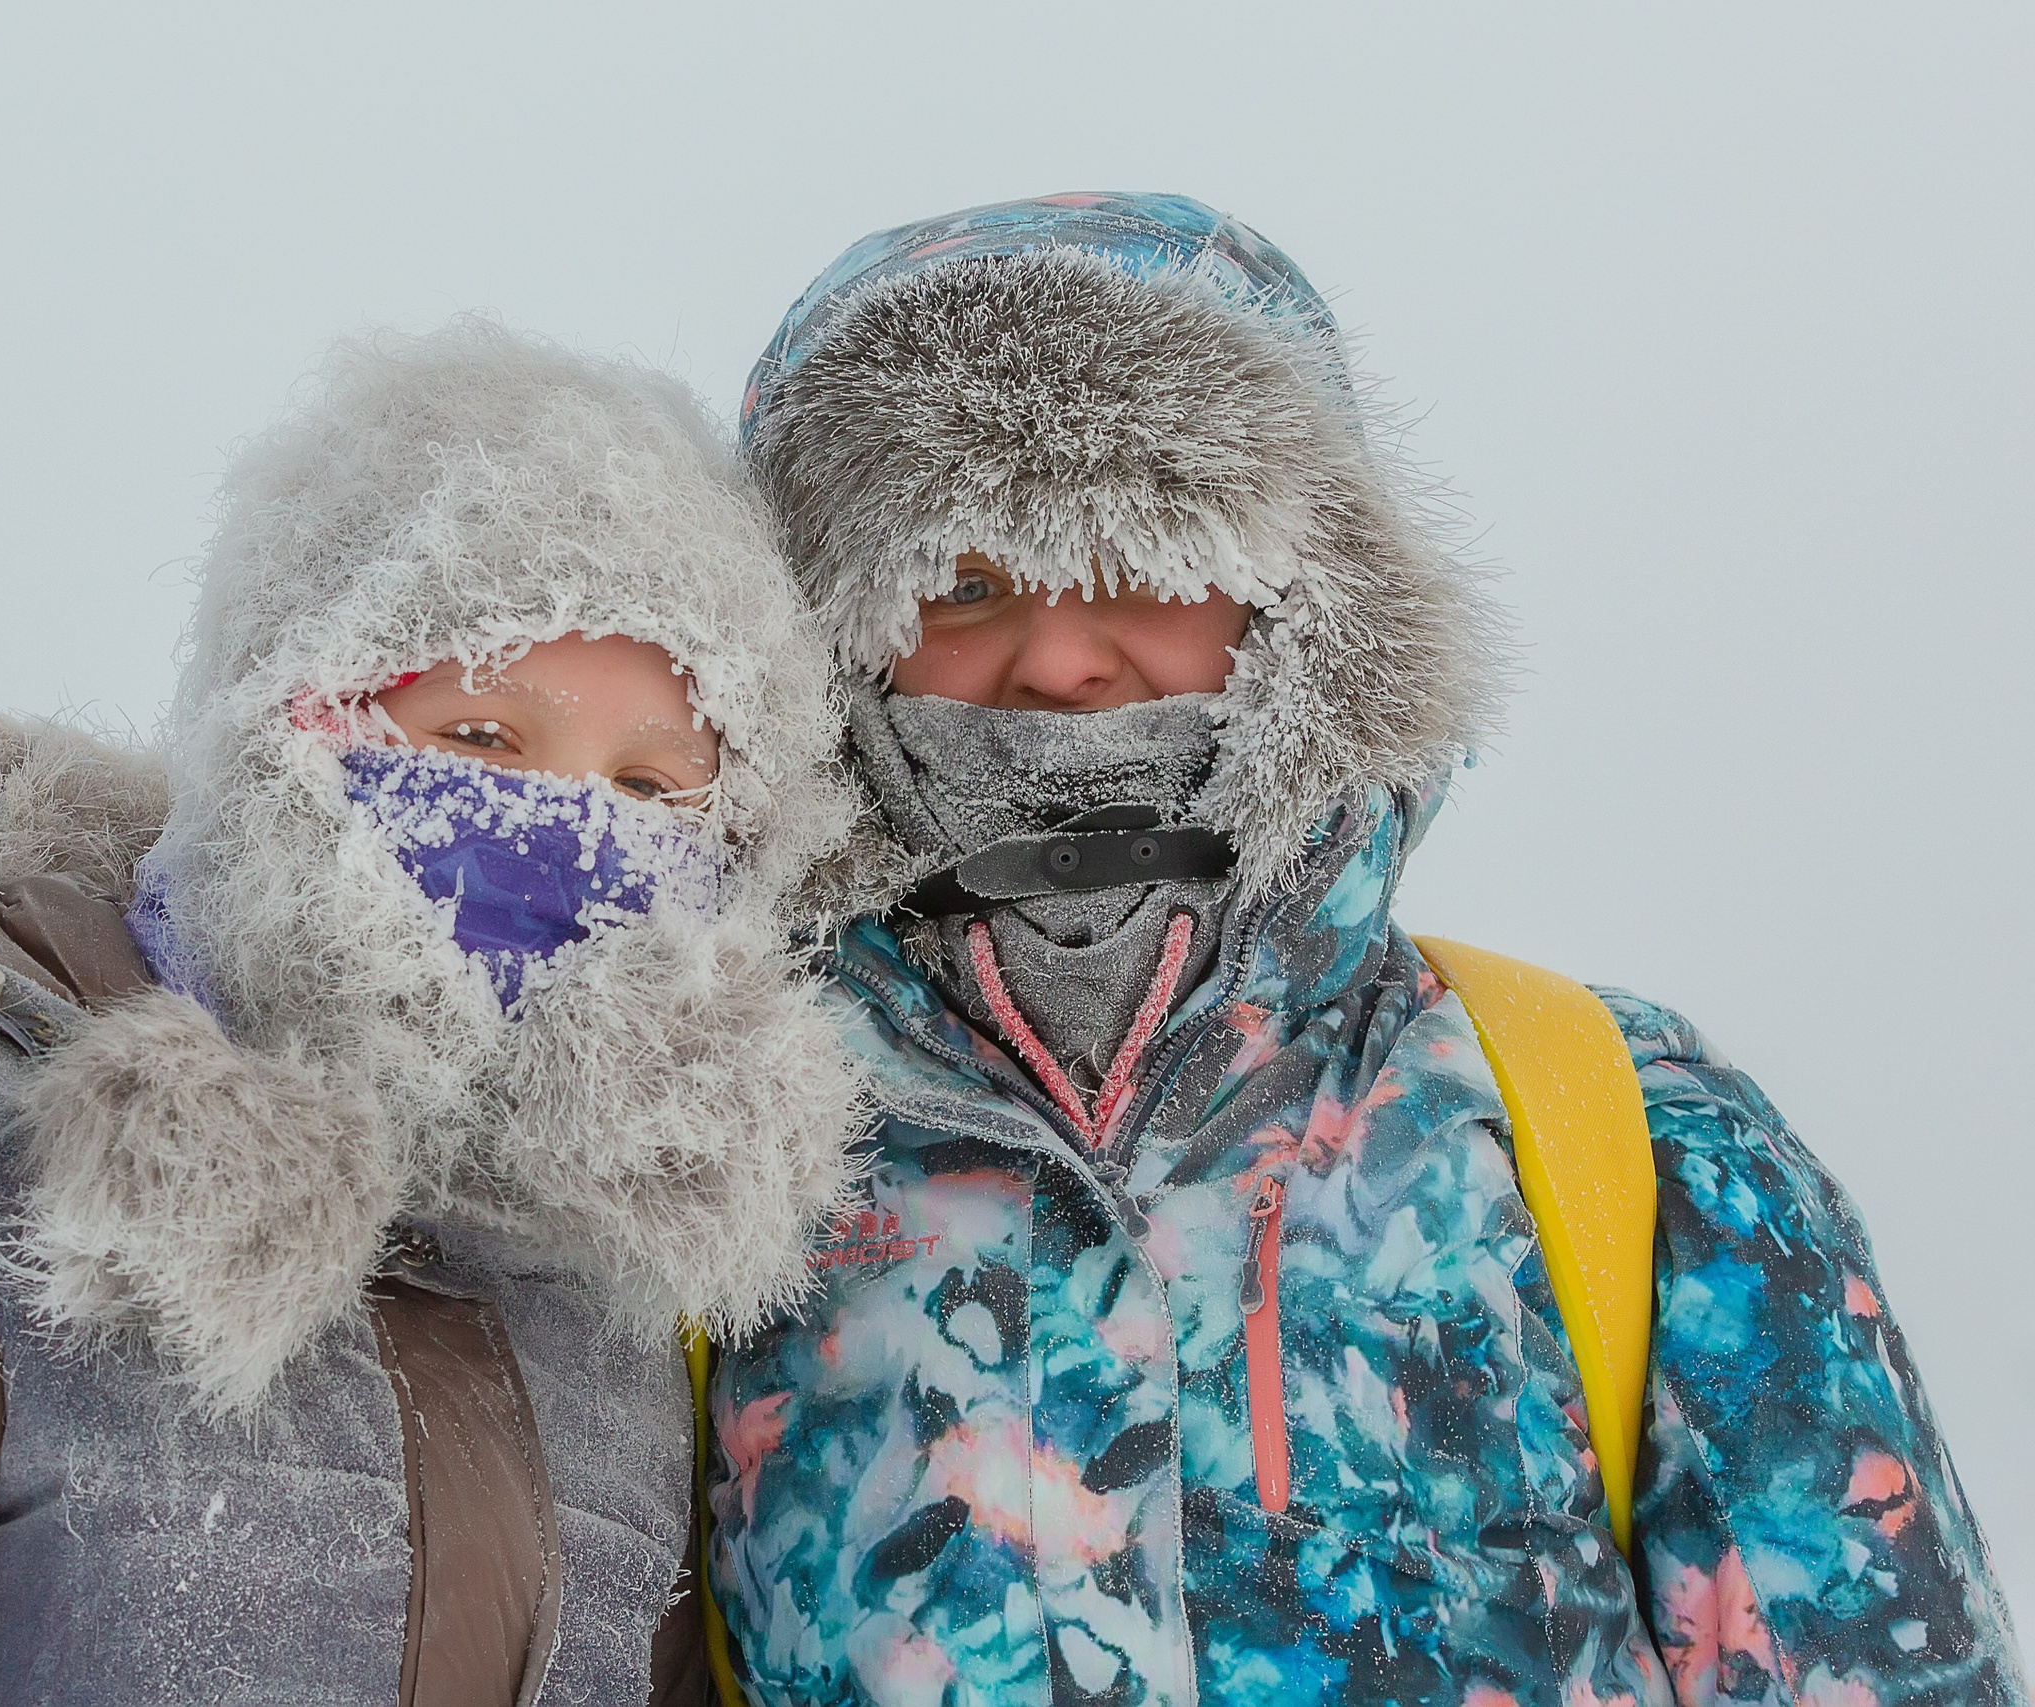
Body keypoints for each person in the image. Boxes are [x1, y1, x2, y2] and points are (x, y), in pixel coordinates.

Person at [705, 194, 2025, 1707]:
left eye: (1144, 560)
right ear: (832, 637)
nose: (1064, 658)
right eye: (967, 584)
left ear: (1304, 600)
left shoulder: (1617, 1126)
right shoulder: (712, 1153)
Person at [0, 319, 865, 1704]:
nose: (565, 826)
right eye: (480, 740)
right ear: (287, 722)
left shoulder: (608, 1292)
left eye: (647, 789)